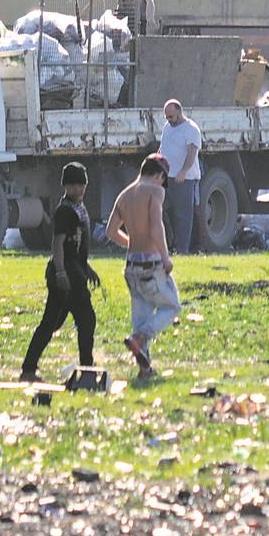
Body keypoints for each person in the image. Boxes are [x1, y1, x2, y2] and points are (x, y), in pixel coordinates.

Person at [20, 162, 101, 382]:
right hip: (66, 274)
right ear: (66, 186)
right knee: (85, 319)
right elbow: (58, 244)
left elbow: (78, 246)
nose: (79, 189)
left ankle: (29, 368)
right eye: (74, 185)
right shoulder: (65, 210)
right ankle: (87, 370)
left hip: (75, 270)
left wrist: (88, 268)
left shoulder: (80, 208)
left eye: (82, 184)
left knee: (52, 322)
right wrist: (61, 273)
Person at [105, 155, 180, 381]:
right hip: (151, 264)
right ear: (160, 175)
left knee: (141, 315)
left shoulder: (124, 195)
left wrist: (133, 241)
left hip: (130, 266)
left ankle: (145, 369)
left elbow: (110, 231)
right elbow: (156, 225)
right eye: (162, 180)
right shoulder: (155, 191)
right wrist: (165, 257)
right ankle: (140, 339)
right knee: (172, 307)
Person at [158, 99, 203, 252]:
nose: (169, 120)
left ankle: (183, 250)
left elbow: (192, 152)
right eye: (166, 117)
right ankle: (168, 245)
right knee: (159, 210)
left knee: (183, 216)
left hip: (185, 179)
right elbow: (162, 149)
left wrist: (183, 171)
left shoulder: (191, 129)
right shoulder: (167, 127)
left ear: (179, 112)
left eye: (171, 116)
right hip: (166, 177)